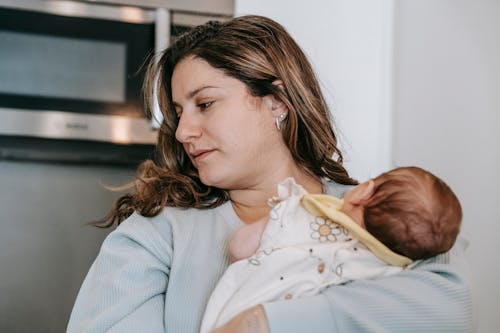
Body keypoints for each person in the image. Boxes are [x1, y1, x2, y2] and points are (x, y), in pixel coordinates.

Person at [66, 15, 472, 333]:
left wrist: (260, 323)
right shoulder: (156, 234)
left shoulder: (385, 214)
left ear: (276, 101)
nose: (184, 130)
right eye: (178, 112)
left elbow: (447, 313)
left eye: (204, 104)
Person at [200, 166, 463, 332]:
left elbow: (239, 246)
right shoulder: (390, 272)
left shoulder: (301, 211)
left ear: (363, 192)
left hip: (240, 317)